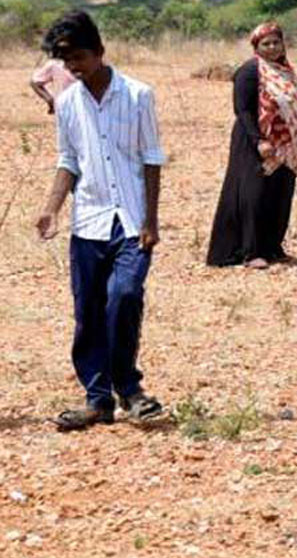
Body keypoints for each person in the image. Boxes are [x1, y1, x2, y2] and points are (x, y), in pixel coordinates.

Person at [34, 10, 166, 431]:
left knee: (125, 296)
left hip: (131, 221)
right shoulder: (67, 102)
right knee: (88, 311)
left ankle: (129, 388)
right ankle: (97, 400)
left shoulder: (138, 95)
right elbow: (68, 160)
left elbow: (151, 159)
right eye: (66, 60)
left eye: (79, 57)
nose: (73, 67)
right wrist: (52, 207)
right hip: (88, 221)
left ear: (100, 51)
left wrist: (151, 220)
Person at [206, 22, 297, 269]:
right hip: (254, 141)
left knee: (279, 193)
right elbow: (242, 110)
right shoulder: (250, 71)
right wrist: (259, 140)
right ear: (256, 47)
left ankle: (272, 247)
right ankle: (250, 251)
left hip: (285, 146)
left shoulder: (287, 72)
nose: (272, 48)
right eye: (266, 44)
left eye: (276, 42)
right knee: (254, 194)